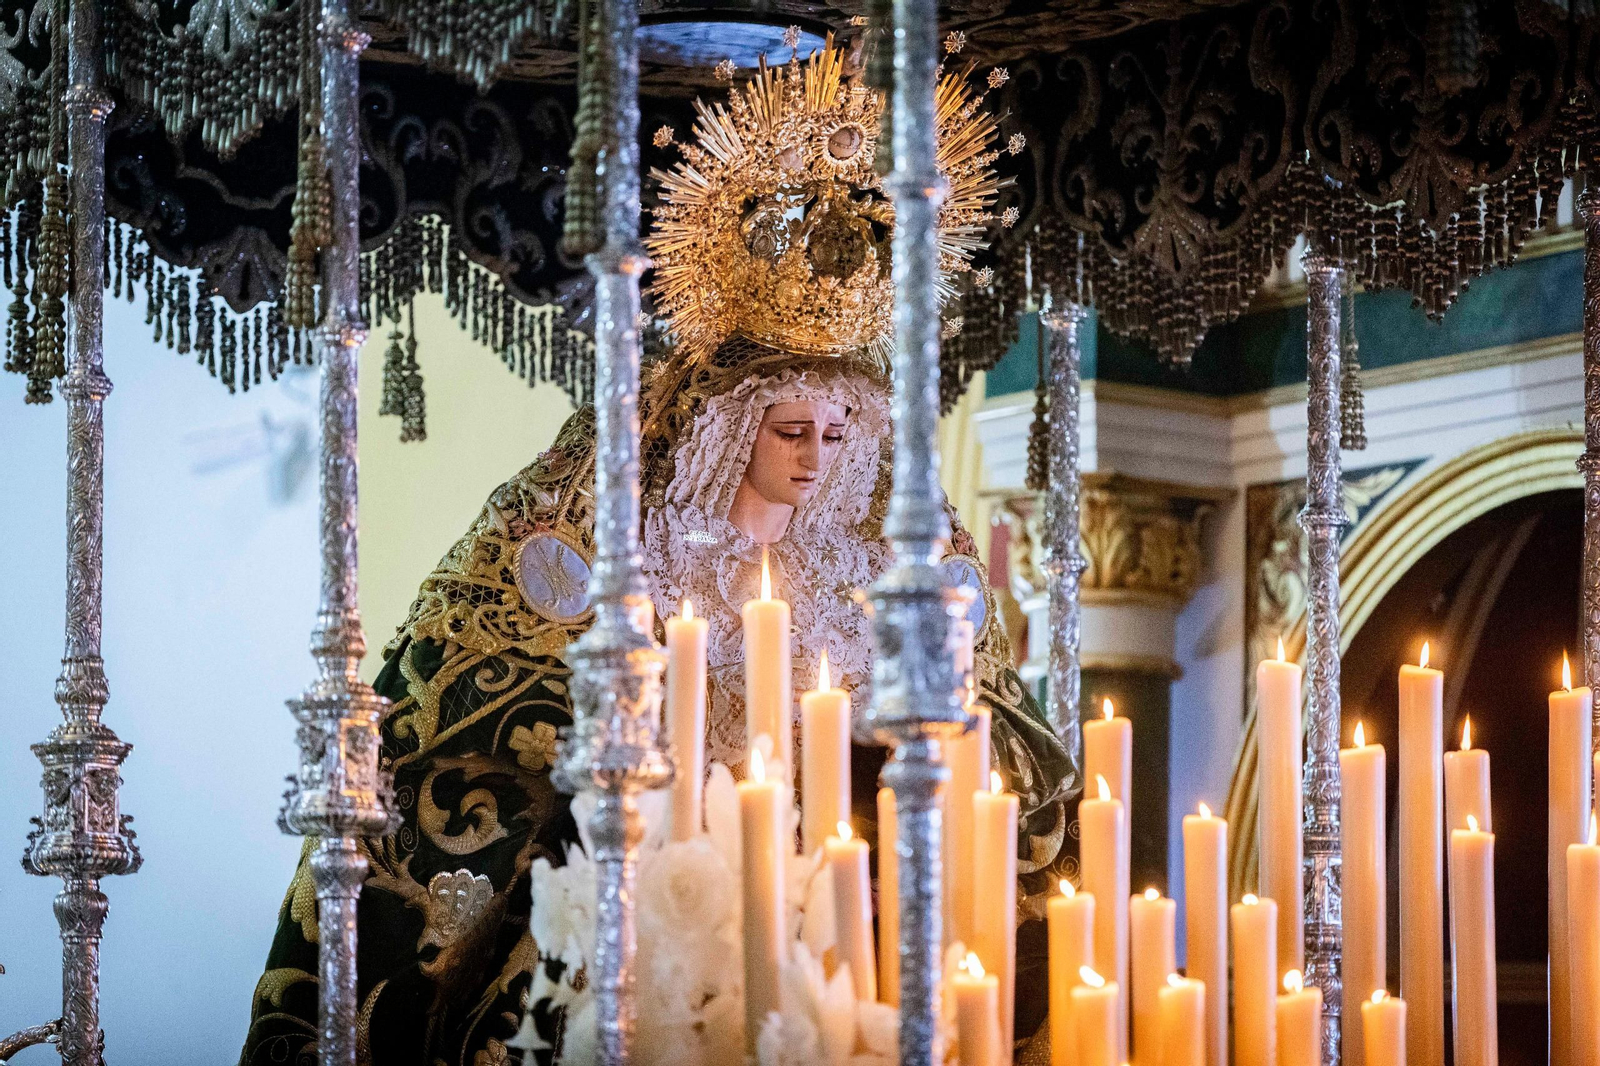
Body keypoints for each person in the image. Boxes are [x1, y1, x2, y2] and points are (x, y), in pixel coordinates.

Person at [240, 41, 1078, 1066]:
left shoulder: (876, 564)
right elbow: (463, 700)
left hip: (838, 926)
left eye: (835, 435)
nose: (815, 459)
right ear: (733, 427)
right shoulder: (629, 540)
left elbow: (993, 756)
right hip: (645, 917)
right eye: (788, 431)